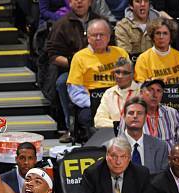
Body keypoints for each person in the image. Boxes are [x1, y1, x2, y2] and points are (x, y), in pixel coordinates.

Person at [46, 0, 102, 142]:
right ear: (69, 3)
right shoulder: (61, 24)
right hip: (72, 69)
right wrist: (75, 63)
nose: (79, 2)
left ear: (90, 2)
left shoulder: (101, 22)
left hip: (100, 67)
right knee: (62, 82)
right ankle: (70, 127)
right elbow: (53, 55)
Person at [67, 19, 129, 136]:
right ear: (88, 37)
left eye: (102, 34)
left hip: (121, 100)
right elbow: (75, 92)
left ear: (109, 36)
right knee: (87, 117)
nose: (98, 38)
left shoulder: (121, 53)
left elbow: (130, 82)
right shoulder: (79, 57)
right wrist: (100, 103)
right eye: (94, 35)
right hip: (92, 103)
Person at [118, 79, 179, 149]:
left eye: (159, 91)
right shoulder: (130, 114)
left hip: (168, 158)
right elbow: (122, 144)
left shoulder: (172, 113)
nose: (155, 95)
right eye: (150, 90)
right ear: (141, 93)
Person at [134, 18, 179, 85]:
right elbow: (141, 87)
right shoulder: (143, 59)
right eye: (158, 33)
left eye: (165, 33)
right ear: (153, 36)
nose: (161, 37)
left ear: (171, 36)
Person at [121, 97, 169, 173]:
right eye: (131, 113)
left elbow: (163, 180)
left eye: (139, 113)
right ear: (124, 117)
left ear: (146, 117)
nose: (135, 116)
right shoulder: (110, 147)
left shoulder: (161, 147)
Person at [94, 58, 141, 128]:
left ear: (133, 74)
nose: (120, 76)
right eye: (117, 72)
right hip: (113, 135)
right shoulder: (109, 93)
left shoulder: (141, 92)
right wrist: (120, 125)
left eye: (125, 73)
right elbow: (98, 121)